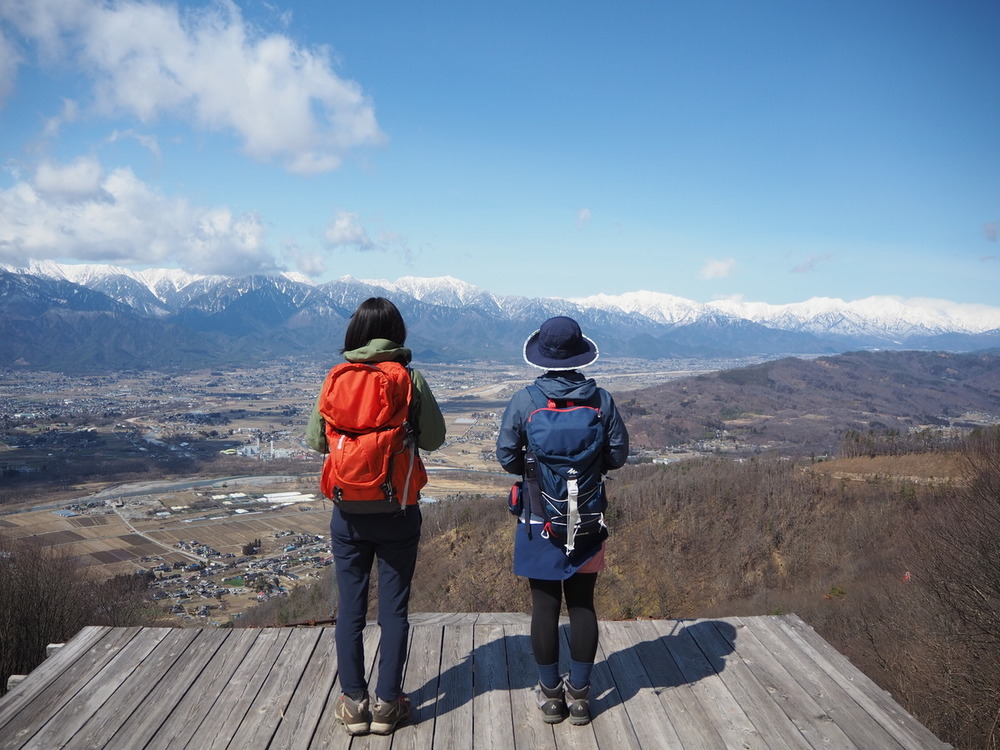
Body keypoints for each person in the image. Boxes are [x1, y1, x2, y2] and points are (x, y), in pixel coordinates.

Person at [306, 297, 446, 736]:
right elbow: (436, 439)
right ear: (397, 332)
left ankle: (353, 704)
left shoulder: (335, 378)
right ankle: (387, 706)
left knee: (349, 609)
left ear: (354, 334)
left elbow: (315, 442)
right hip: (398, 510)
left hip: (347, 513)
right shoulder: (408, 378)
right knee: (394, 610)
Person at [496, 316, 629, 725]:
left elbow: (506, 456)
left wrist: (536, 471)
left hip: (539, 518)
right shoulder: (601, 400)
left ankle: (551, 696)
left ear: (542, 358)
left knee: (545, 606)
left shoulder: (525, 400)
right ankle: (582, 696)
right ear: (579, 355)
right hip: (587, 514)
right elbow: (618, 456)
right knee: (583, 603)